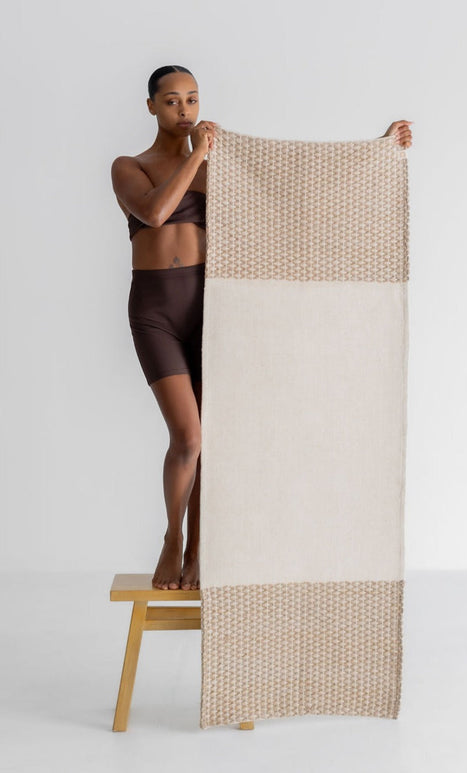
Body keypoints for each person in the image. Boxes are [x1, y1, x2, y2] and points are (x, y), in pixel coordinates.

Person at [111, 65, 218, 591]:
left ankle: (200, 549)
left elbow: (286, 198)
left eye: (192, 100)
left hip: (209, 309)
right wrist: (197, 154)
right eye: (173, 101)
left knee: (211, 441)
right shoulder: (128, 166)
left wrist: (380, 148)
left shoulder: (216, 169)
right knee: (188, 436)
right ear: (151, 106)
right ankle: (172, 537)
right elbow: (154, 214)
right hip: (155, 309)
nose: (184, 111)